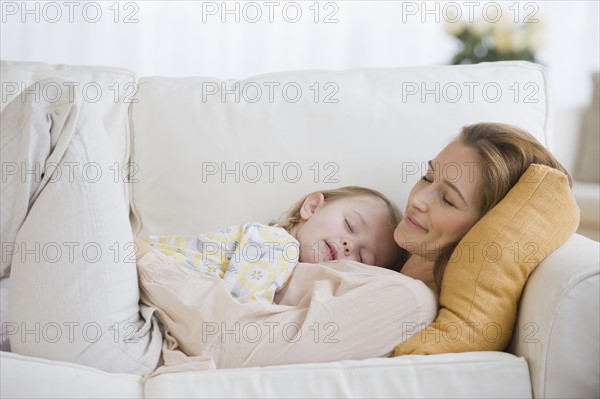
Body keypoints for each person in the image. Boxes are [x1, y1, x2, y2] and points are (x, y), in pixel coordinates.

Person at [0, 78, 569, 375]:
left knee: (60, 105)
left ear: (482, 229)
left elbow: (230, 343)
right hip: (128, 310)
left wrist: (137, 256)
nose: (418, 198)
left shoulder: (405, 303)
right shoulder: (367, 267)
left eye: (446, 197)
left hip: (131, 340)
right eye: (426, 177)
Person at [134, 186, 403, 303]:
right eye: (350, 226)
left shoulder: (295, 271)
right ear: (312, 207)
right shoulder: (278, 244)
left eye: (364, 257)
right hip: (143, 268)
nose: (348, 245)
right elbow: (240, 305)